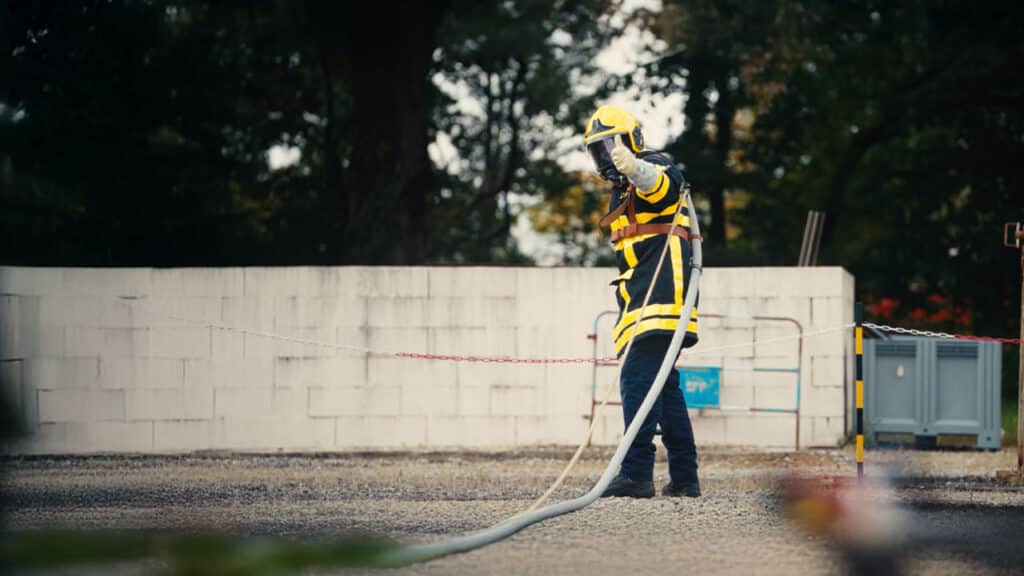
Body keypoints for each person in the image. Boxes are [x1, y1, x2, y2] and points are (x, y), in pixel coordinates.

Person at [584, 105, 701, 498]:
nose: (604, 158)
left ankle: (636, 473)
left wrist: (634, 167)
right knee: (665, 392)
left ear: (629, 140)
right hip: (641, 306)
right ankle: (686, 478)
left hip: (661, 304)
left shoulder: (654, 166)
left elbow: (659, 185)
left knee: (636, 382)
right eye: (596, 151)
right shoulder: (621, 190)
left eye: (608, 147)